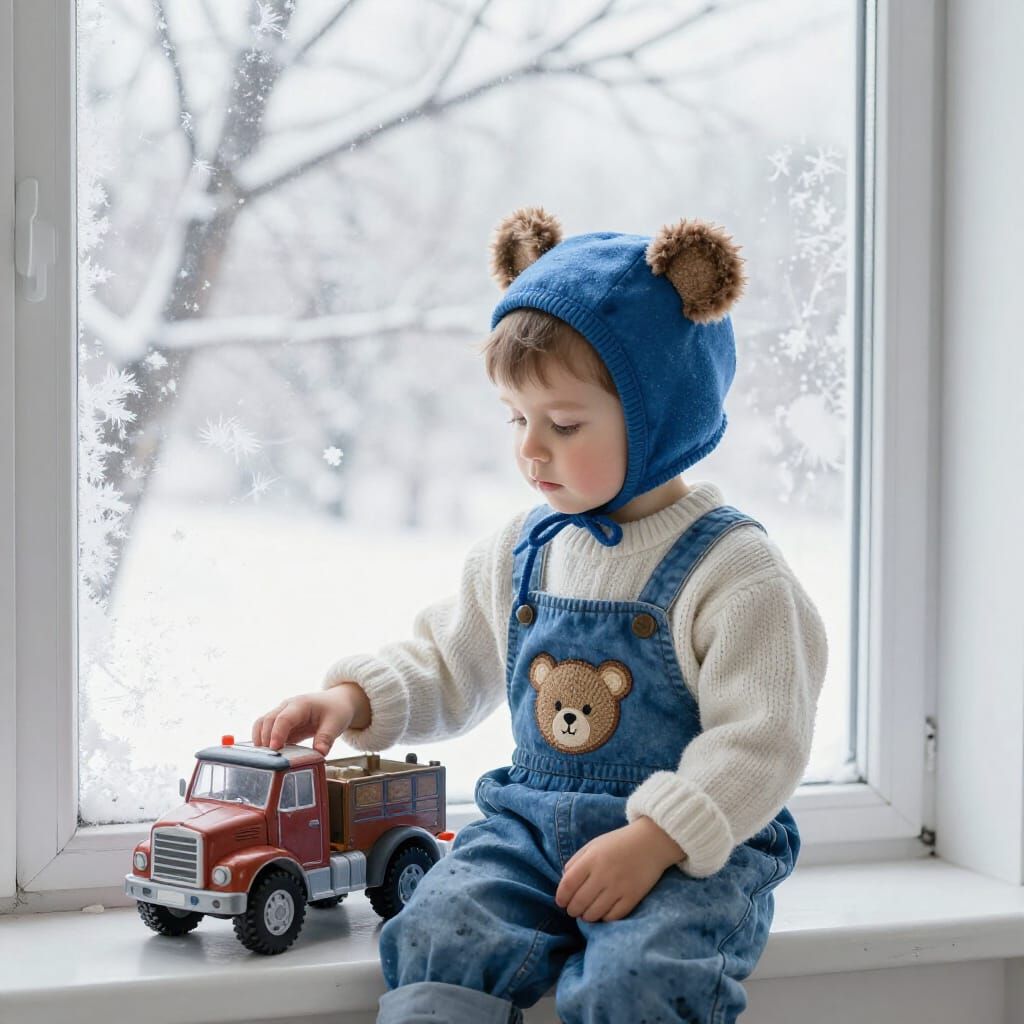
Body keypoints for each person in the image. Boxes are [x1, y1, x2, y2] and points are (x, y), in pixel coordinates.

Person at [252, 207, 828, 1024]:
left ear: (658, 416)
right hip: (529, 831)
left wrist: (655, 840)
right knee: (439, 931)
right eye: (516, 420)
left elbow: (764, 741)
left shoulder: (734, 572)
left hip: (686, 848)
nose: (530, 450)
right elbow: (449, 659)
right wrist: (350, 702)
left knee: (642, 977)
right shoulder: (526, 548)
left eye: (563, 425)